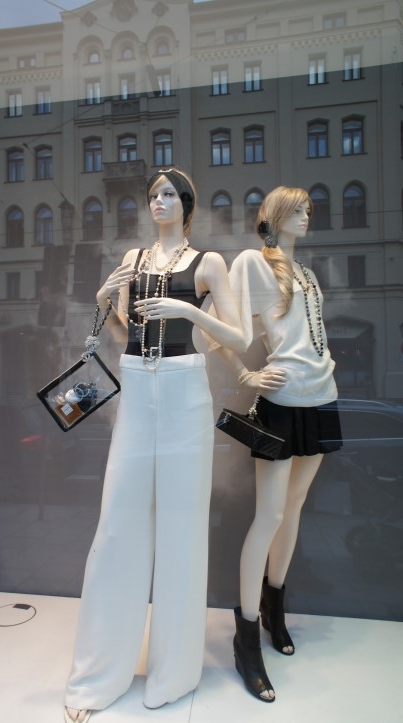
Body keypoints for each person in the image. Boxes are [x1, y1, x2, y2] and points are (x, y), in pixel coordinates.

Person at [64, 167, 246, 723]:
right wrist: (105, 299)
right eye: (153, 195)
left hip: (185, 389)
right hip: (139, 388)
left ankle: (173, 673)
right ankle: (99, 673)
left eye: (169, 194)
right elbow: (124, 331)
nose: (158, 202)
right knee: (118, 525)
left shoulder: (208, 263)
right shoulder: (133, 260)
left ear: (186, 203)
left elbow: (239, 336)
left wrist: (188, 310)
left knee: (181, 529)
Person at [219, 186, 341, 703]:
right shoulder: (253, 263)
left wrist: (325, 362)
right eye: (298, 210)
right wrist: (246, 373)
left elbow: (314, 335)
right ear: (274, 215)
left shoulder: (308, 274)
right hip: (282, 400)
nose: (307, 216)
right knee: (268, 515)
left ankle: (274, 609)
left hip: (322, 396)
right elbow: (225, 331)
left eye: (310, 210)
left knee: (293, 509)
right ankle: (246, 637)